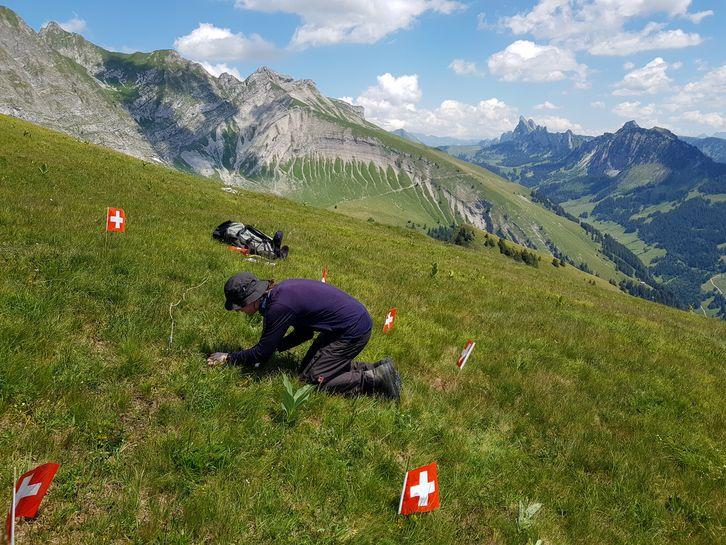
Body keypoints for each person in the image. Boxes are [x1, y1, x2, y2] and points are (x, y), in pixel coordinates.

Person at [207, 272, 402, 400]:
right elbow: (305, 332)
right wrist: (274, 344)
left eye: (239, 306)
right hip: (344, 325)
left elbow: (261, 354)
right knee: (306, 369)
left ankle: (373, 379)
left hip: (352, 331)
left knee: (311, 381)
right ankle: (380, 368)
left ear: (251, 299)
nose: (238, 311)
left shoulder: (278, 307)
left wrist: (229, 358)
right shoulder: (279, 293)